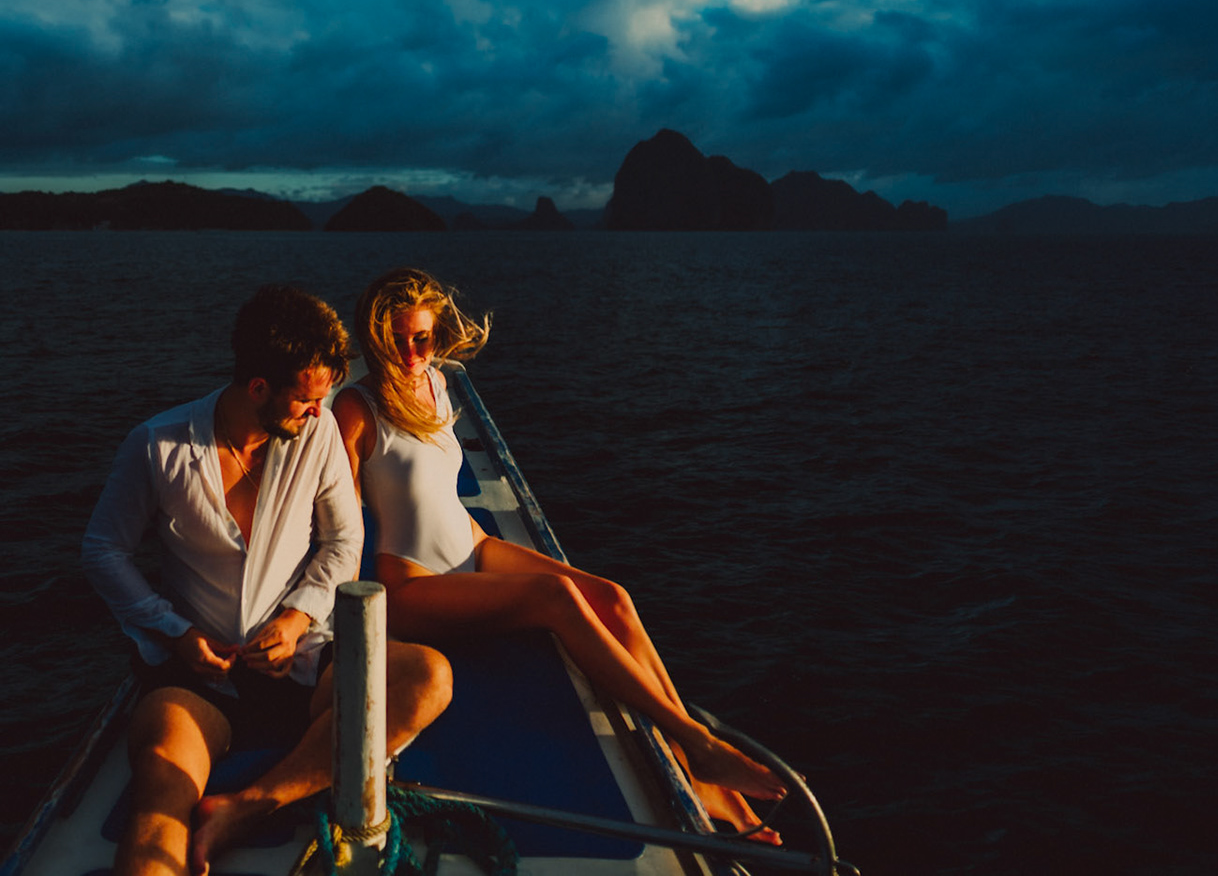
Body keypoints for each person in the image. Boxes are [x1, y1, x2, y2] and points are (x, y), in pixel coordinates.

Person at [331, 267, 789, 843]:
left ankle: (698, 763)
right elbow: (343, 525)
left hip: (473, 546)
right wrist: (345, 627)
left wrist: (478, 546)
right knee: (556, 597)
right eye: (397, 339)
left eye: (421, 336)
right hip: (414, 583)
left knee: (613, 598)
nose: (411, 351)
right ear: (375, 339)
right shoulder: (355, 407)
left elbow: (441, 492)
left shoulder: (437, 384)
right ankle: (698, 746)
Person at [84, 284, 453, 876]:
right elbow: (103, 551)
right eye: (307, 399)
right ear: (258, 388)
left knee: (428, 677)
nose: (318, 411)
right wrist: (176, 632)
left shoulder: (321, 431)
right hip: (199, 678)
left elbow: (344, 540)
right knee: (160, 784)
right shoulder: (157, 446)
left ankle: (248, 805)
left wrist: (298, 616)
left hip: (304, 657)